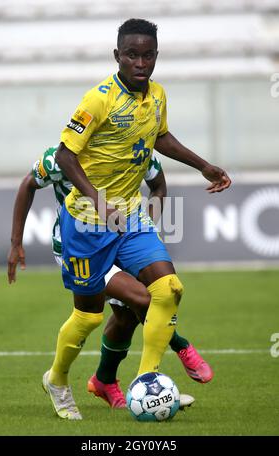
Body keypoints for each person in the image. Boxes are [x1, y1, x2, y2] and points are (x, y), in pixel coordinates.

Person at [41, 18, 231, 420]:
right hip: (87, 222)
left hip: (127, 217)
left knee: (169, 288)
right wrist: (97, 200)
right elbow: (64, 155)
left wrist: (204, 166)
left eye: (148, 55)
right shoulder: (98, 99)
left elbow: (161, 137)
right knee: (89, 315)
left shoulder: (157, 95)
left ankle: (148, 382)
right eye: (132, 54)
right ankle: (57, 378)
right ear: (118, 56)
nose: (140, 62)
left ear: (156, 56)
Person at [8, 145, 212, 412]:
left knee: (127, 315)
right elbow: (28, 184)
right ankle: (179, 347)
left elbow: (159, 188)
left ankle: (105, 381)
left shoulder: (136, 147)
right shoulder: (60, 159)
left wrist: (142, 229)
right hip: (79, 245)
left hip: (121, 238)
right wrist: (15, 243)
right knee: (136, 301)